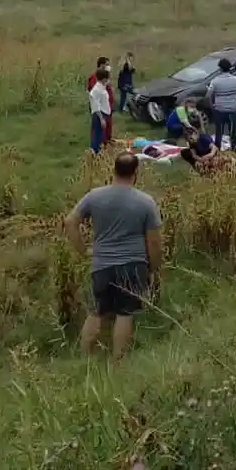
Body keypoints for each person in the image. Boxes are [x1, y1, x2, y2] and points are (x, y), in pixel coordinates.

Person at [64, 152, 163, 360]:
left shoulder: (94, 196)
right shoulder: (145, 202)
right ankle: (118, 362)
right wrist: (154, 268)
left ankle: (84, 359)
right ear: (135, 174)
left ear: (114, 170)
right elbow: (154, 242)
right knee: (125, 313)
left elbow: (70, 222)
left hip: (102, 264)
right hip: (133, 264)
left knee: (96, 311)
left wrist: (84, 250)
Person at [205, 58, 236, 150]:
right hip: (233, 109)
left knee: (219, 132)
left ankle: (217, 149)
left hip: (219, 110)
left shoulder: (215, 81)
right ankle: (234, 147)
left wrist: (212, 107)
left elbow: (208, 96)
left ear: (220, 69)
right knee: (232, 132)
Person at [86, 56, 115, 139]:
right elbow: (94, 94)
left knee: (108, 125)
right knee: (99, 127)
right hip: (100, 108)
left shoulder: (105, 76)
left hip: (107, 105)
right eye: (106, 65)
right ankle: (98, 145)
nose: (108, 67)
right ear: (101, 65)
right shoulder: (94, 77)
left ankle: (107, 140)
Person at [88, 67, 112, 154]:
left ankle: (97, 152)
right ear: (104, 79)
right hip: (99, 115)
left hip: (104, 114)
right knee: (97, 136)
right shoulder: (97, 90)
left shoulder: (102, 87)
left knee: (100, 135)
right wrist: (101, 119)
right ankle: (94, 153)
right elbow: (96, 105)